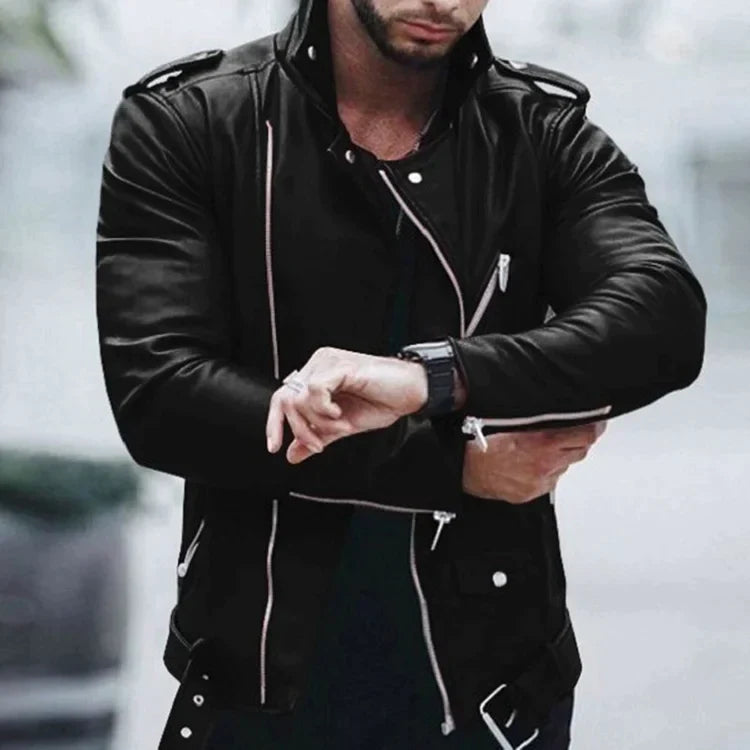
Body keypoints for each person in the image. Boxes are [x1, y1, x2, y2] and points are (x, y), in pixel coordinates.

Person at [95, 0, 706, 747]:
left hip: (493, 690)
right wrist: (451, 468)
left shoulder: (540, 130)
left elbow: (664, 317)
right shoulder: (189, 121)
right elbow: (161, 393)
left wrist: (433, 377)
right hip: (259, 679)